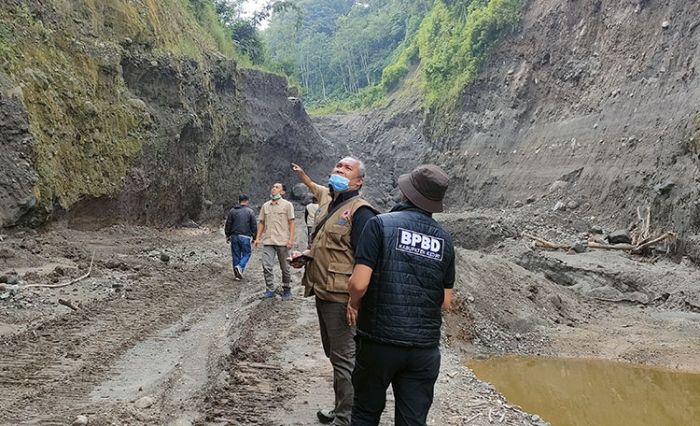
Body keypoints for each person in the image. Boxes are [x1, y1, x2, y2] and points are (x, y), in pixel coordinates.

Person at [345, 164, 455, 426]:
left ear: (405, 193)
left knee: (365, 413)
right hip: (424, 350)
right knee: (412, 421)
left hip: (379, 342)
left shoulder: (379, 225)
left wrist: (353, 303)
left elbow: (359, 284)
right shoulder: (444, 240)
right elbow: (446, 302)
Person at [290, 158, 378, 426]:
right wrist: (306, 255)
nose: (339, 170)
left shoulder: (362, 212)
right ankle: (343, 408)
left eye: (346, 169)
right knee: (335, 355)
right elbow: (329, 247)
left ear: (358, 182)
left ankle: (346, 418)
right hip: (323, 292)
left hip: (342, 299)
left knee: (344, 361)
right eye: (337, 166)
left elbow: (368, 261)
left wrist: (355, 301)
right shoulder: (331, 201)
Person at [254, 183, 295, 301]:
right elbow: (261, 222)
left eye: (277, 187)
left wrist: (291, 240)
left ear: (282, 192)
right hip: (268, 241)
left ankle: (287, 289)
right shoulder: (265, 206)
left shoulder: (287, 205)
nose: (273, 188)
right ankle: (270, 289)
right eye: (273, 187)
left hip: (283, 241)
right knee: (266, 265)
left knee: (285, 267)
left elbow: (292, 223)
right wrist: (257, 238)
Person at [224, 194, 257, 280]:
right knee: (247, 253)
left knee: (236, 255)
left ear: (238, 201)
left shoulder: (232, 211)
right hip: (245, 236)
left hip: (234, 236)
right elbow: (254, 225)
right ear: (247, 201)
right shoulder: (250, 211)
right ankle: (240, 266)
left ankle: (237, 275)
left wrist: (227, 235)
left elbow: (228, 224)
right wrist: (255, 237)